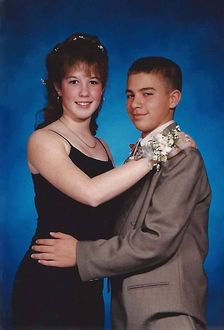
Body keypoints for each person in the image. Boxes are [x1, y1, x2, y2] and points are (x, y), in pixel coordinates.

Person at [32, 56, 211, 330]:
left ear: (173, 98)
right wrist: (160, 148)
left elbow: (154, 241)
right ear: (58, 87)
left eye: (147, 94)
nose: (136, 104)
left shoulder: (181, 158)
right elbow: (104, 207)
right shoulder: (140, 158)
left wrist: (81, 253)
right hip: (121, 304)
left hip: (165, 311)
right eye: (130, 95)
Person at [11, 33, 160, 329]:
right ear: (57, 87)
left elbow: (116, 208)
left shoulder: (102, 145)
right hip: (47, 282)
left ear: (103, 89)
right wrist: (161, 149)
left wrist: (158, 148)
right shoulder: (44, 140)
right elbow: (91, 194)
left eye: (93, 82)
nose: (84, 92)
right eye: (73, 81)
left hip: (87, 279)